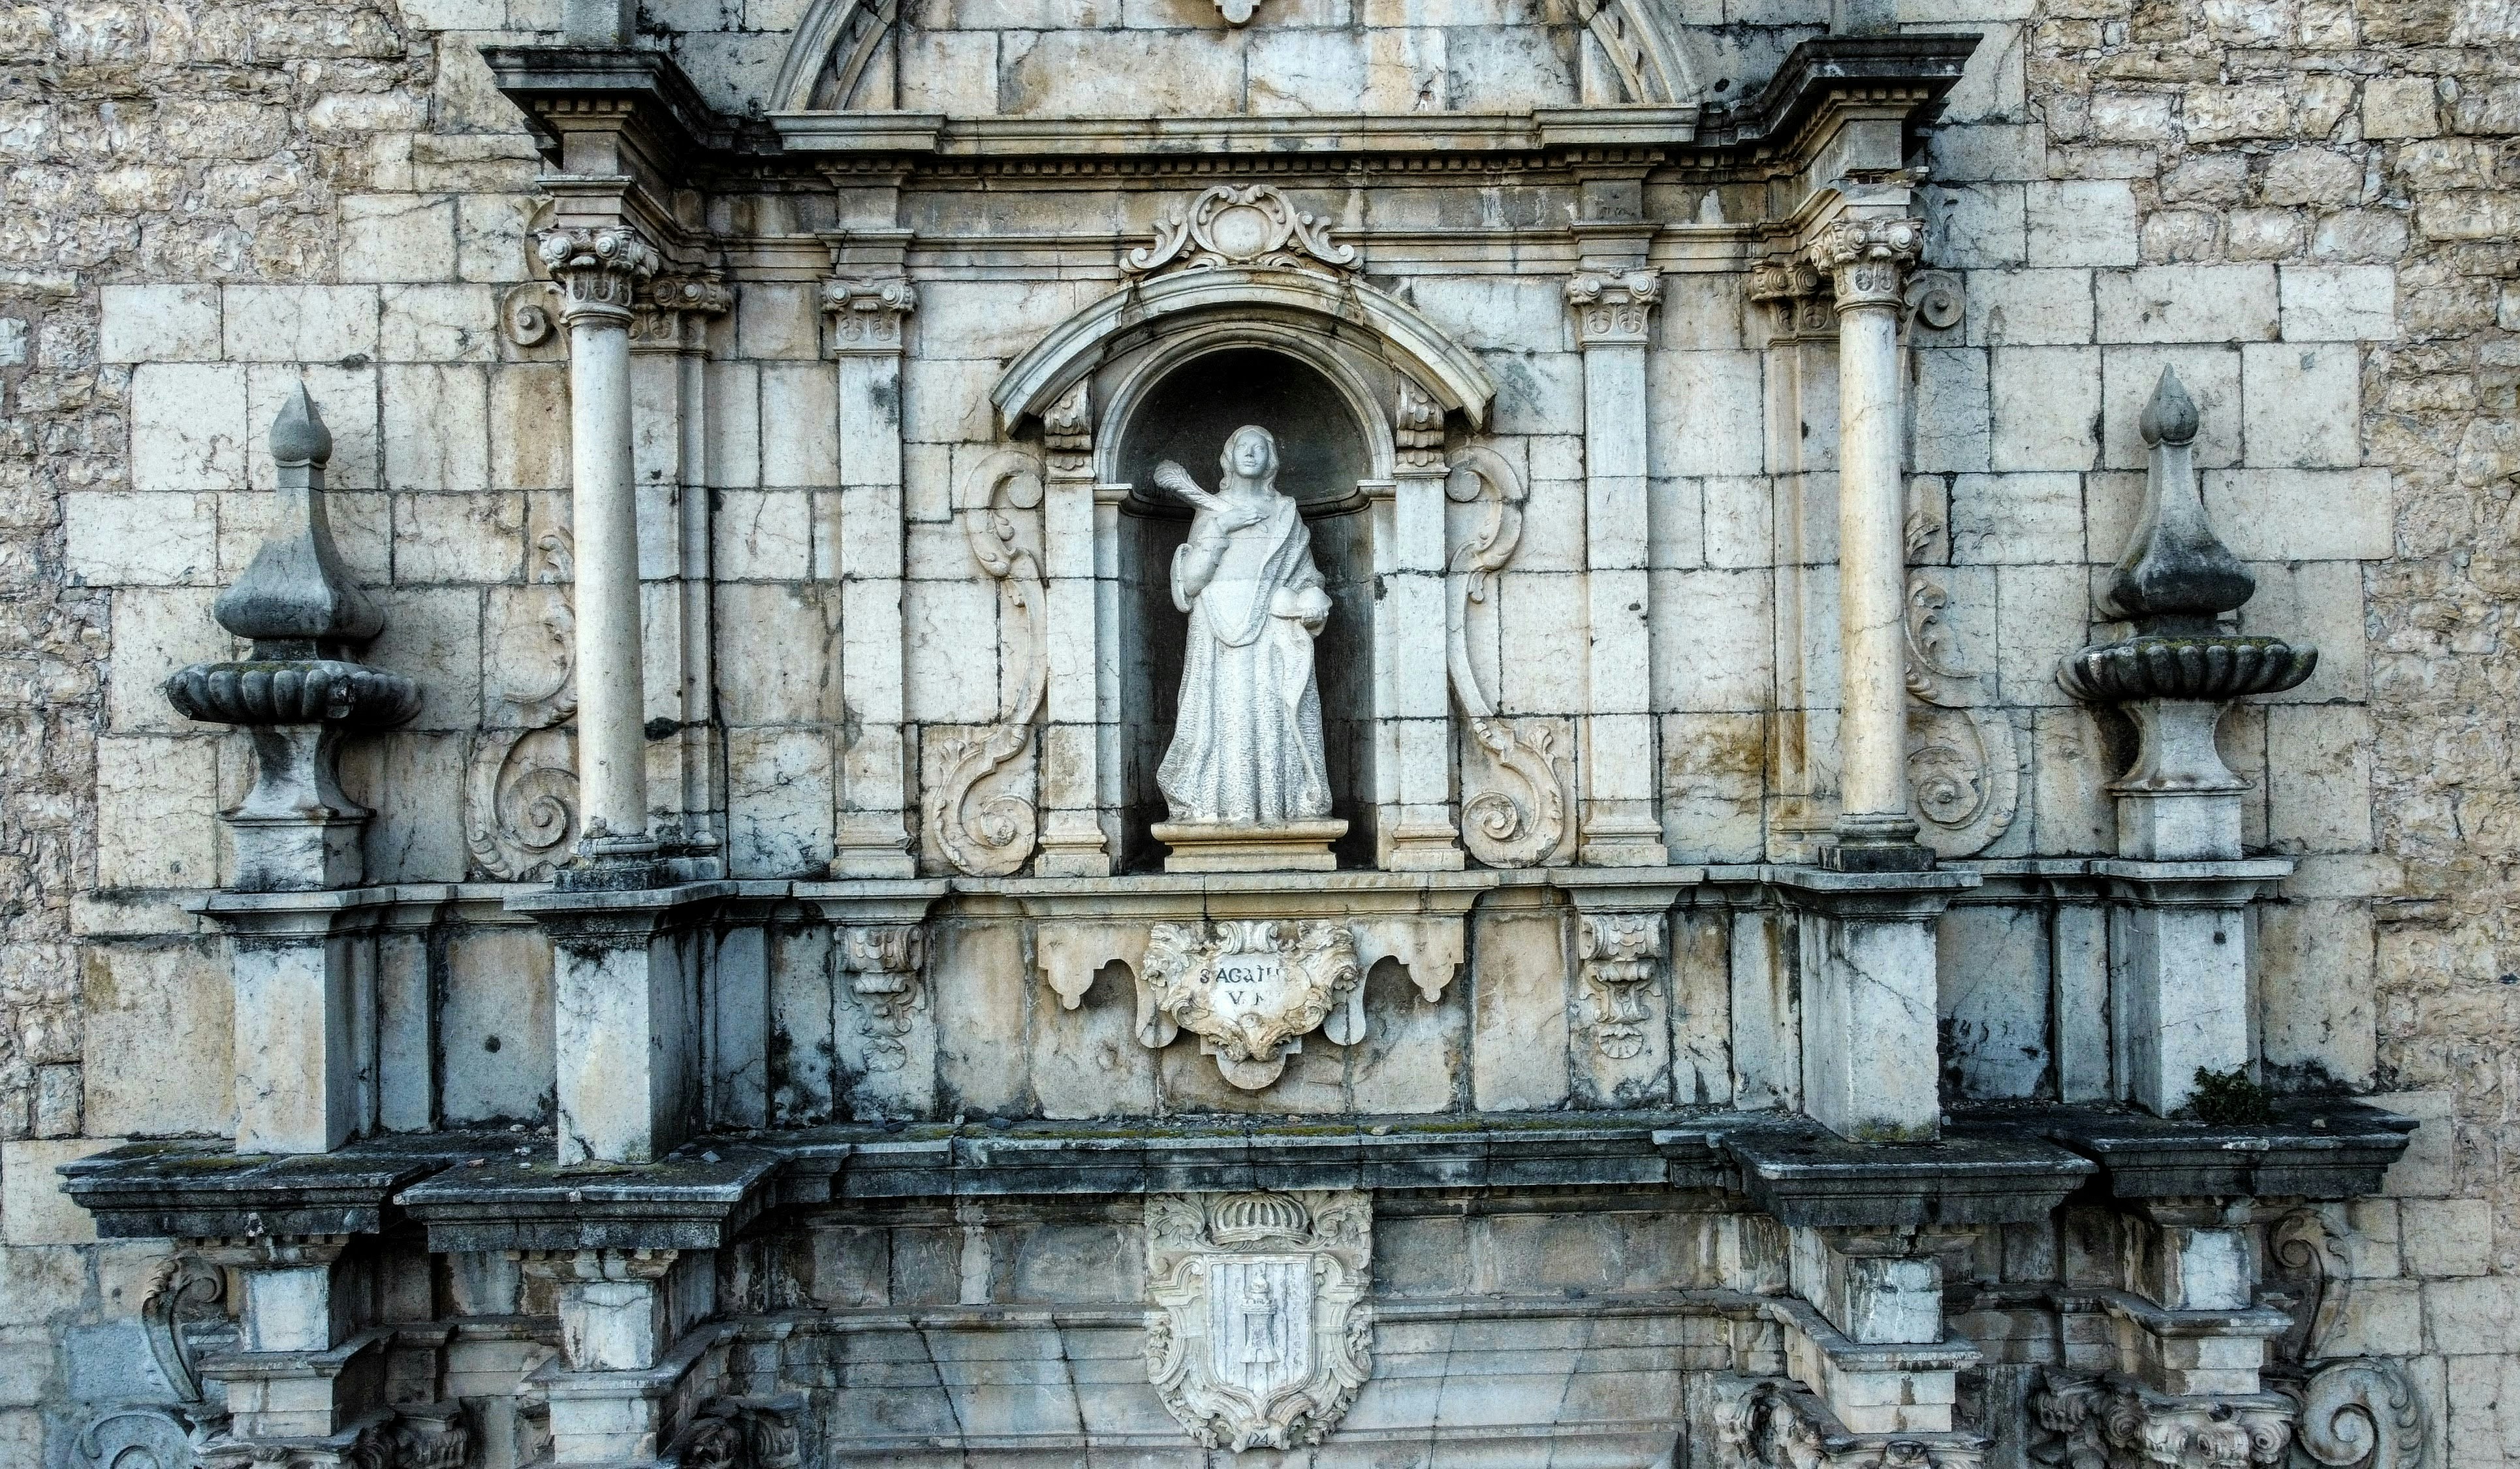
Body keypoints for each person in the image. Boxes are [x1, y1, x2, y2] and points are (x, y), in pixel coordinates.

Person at [1154, 425, 1335, 827]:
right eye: (1241, 446)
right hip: (1217, 636)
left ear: (1271, 459)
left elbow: (1306, 575)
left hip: (1274, 632)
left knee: (1273, 715)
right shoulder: (1212, 510)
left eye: (1259, 447)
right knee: (1224, 718)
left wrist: (1312, 598)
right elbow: (1191, 582)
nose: (1250, 453)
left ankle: (1279, 808)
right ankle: (1217, 809)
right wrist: (1223, 526)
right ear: (1229, 457)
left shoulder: (1287, 512)